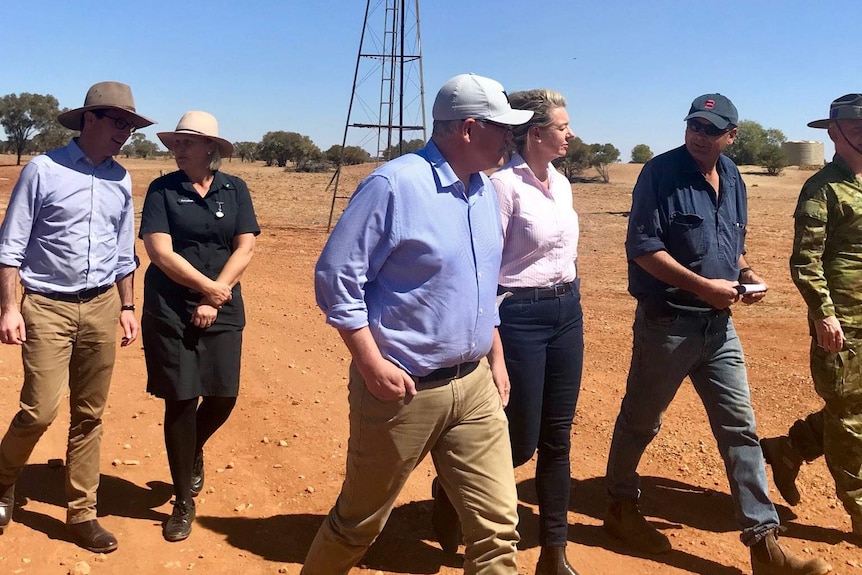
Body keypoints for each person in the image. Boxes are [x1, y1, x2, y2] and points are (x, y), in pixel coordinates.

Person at [304, 73, 532, 575]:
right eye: (502, 129)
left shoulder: (484, 192)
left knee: (497, 530)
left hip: (473, 388)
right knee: (358, 524)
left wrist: (494, 358)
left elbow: (480, 286)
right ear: (469, 129)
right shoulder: (395, 185)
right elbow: (337, 277)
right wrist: (368, 362)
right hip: (402, 390)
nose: (509, 139)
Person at [603, 93, 832, 575]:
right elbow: (643, 249)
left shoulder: (732, 177)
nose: (699, 136)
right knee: (642, 422)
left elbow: (734, 246)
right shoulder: (659, 173)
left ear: (731, 136)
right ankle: (621, 507)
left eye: (711, 129)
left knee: (739, 428)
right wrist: (703, 286)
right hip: (667, 321)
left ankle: (764, 543)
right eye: (694, 126)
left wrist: (747, 274)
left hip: (718, 326)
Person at [0, 81, 154, 553]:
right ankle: (3, 480)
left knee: (90, 415)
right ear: (89, 119)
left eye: (131, 124)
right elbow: (10, 246)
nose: (126, 132)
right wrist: (9, 307)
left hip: (103, 304)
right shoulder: (42, 170)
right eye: (119, 122)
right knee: (39, 409)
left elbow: (123, 249)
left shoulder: (122, 178)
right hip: (46, 305)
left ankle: (81, 512)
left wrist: (128, 306)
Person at [140, 111, 259, 542]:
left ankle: (193, 451)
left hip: (223, 301)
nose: (178, 148)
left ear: (211, 147)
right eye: (176, 142)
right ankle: (182, 502)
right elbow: (160, 252)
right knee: (181, 399)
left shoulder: (235, 189)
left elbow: (245, 244)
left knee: (224, 395)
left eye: (188, 142)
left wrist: (218, 292)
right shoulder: (162, 190)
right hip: (171, 306)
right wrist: (206, 289)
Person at [760, 93, 862, 546]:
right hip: (843, 320)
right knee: (850, 418)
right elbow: (806, 261)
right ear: (835, 133)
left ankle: (789, 449)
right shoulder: (822, 188)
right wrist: (823, 314)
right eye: (856, 127)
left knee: (853, 409)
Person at [491, 89, 583, 575]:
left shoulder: (562, 183)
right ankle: (453, 490)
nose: (570, 134)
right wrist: (495, 347)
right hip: (519, 316)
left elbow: (564, 252)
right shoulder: (502, 186)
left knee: (558, 438)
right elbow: (486, 270)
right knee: (520, 440)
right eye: (562, 126)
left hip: (566, 311)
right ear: (535, 132)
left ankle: (554, 552)